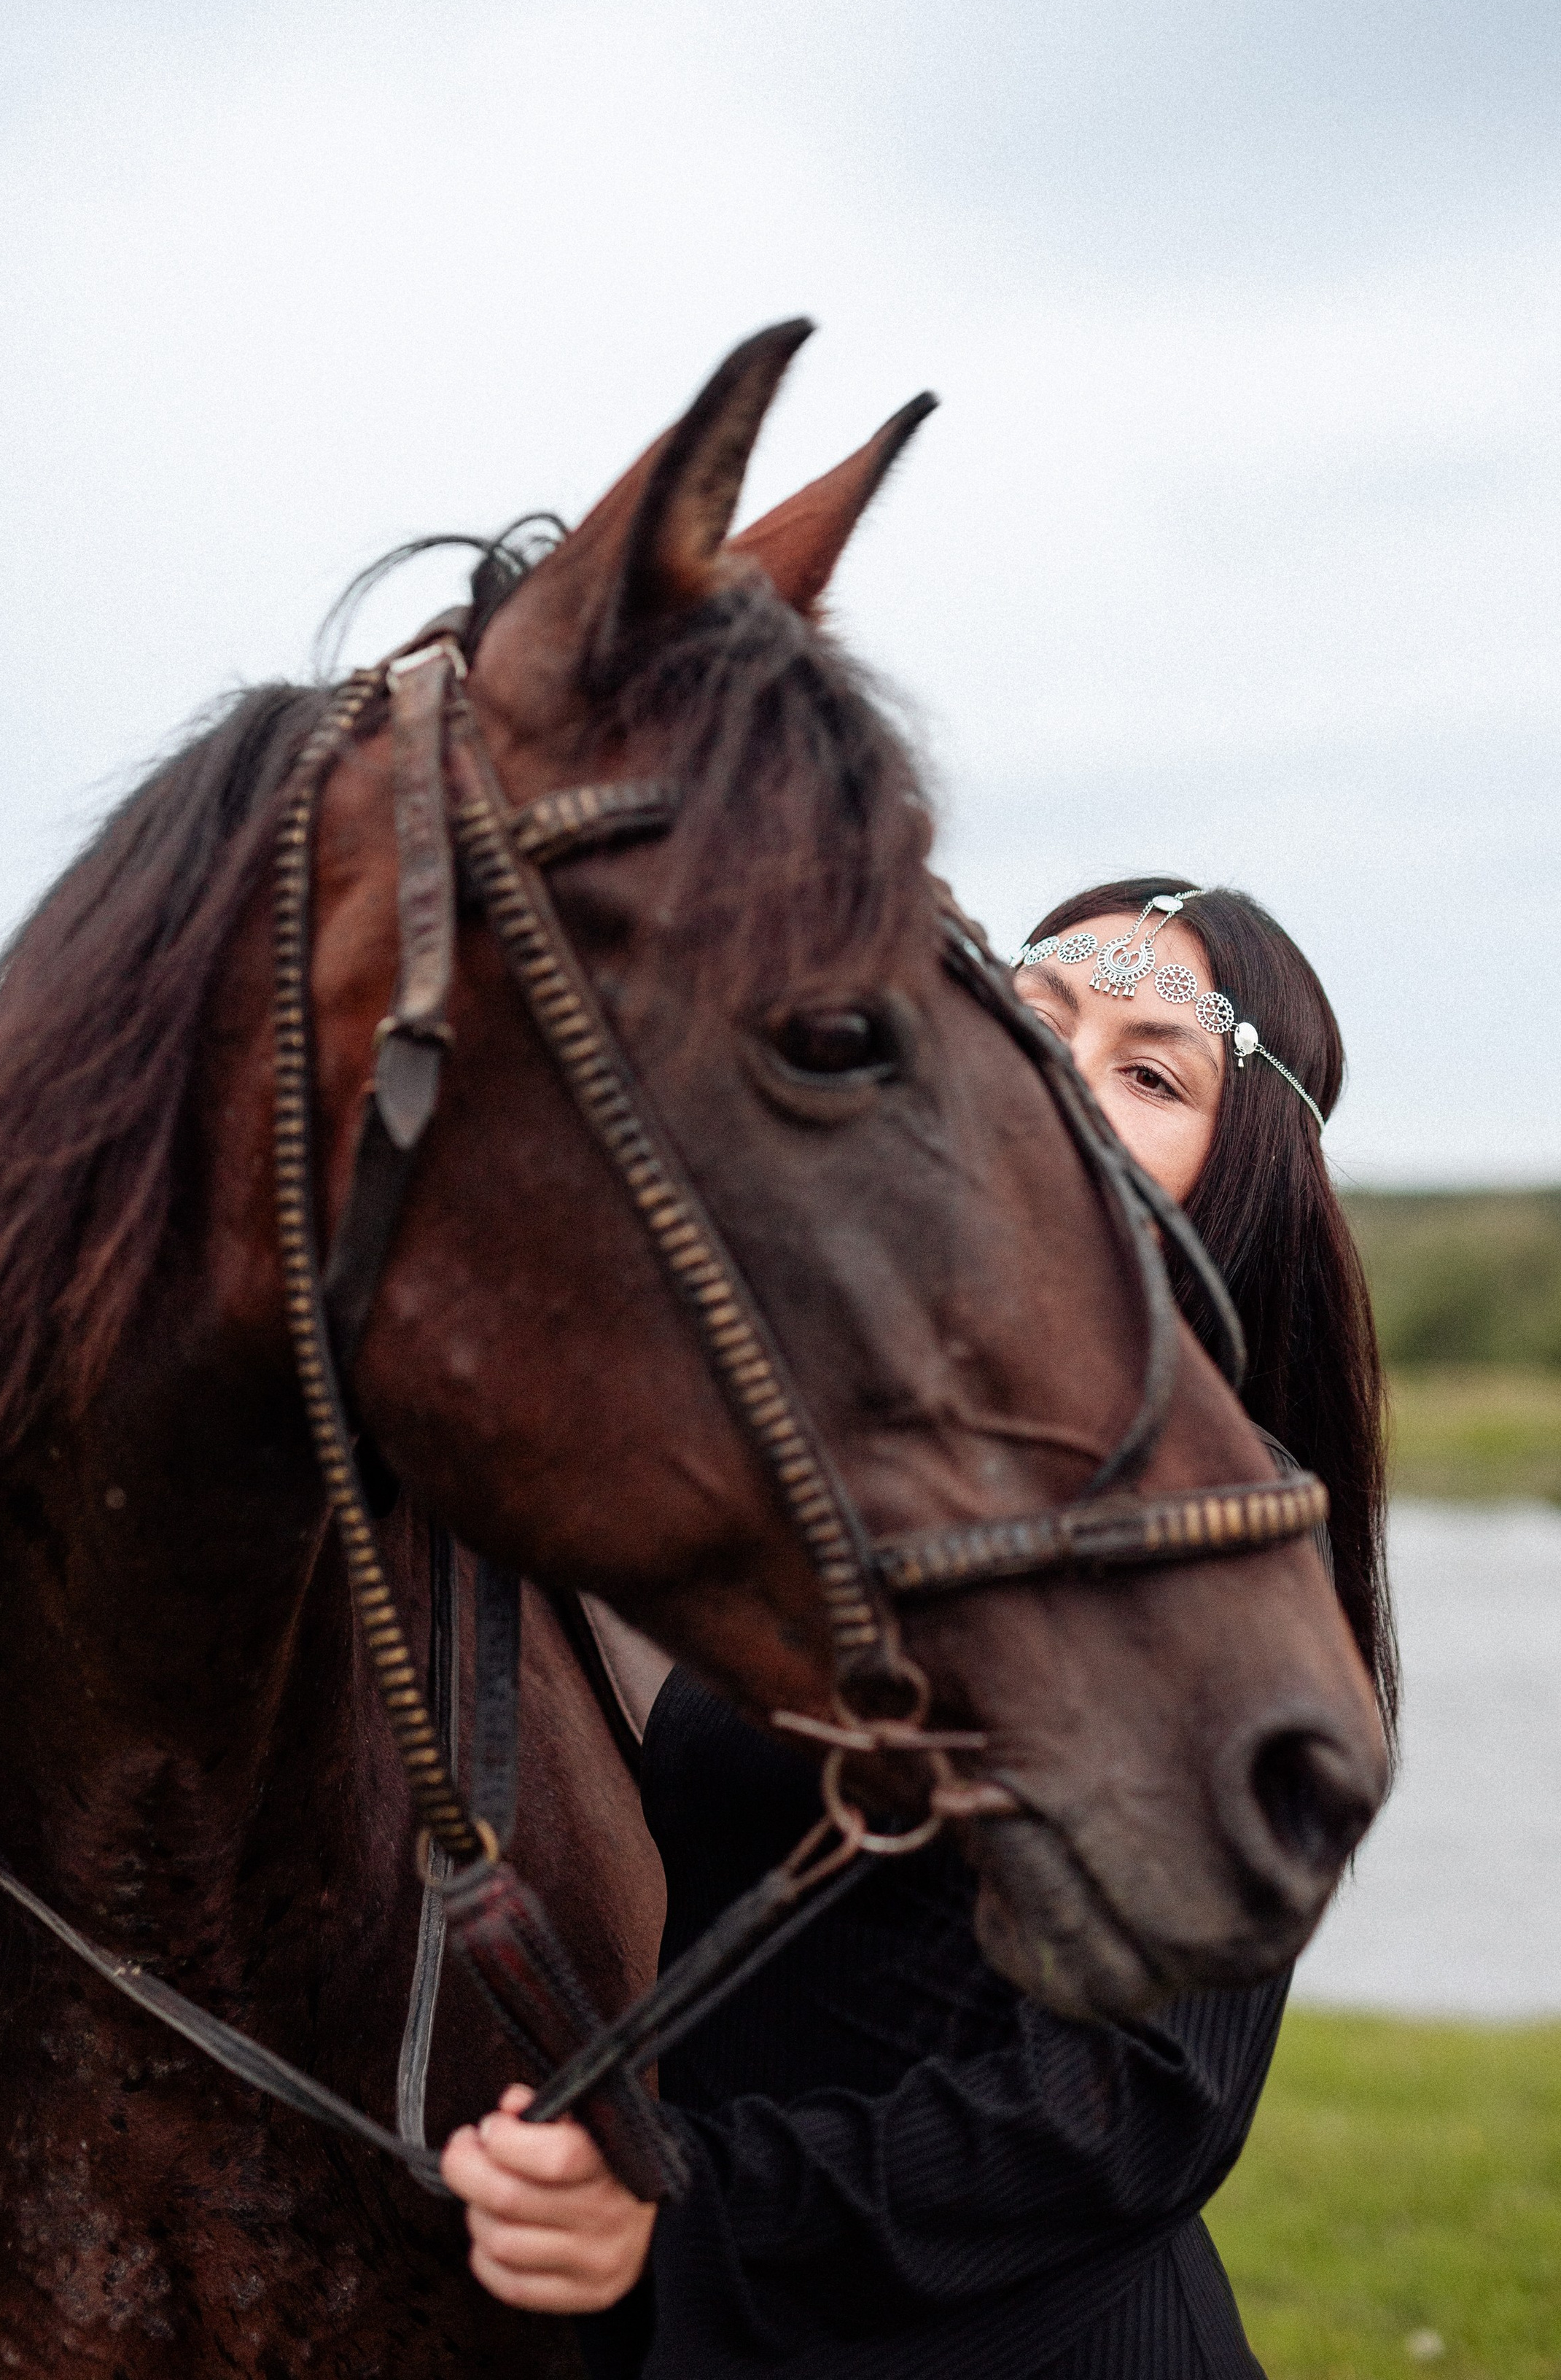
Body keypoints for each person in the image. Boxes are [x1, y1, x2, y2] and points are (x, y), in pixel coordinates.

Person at [443, 879, 1395, 2376]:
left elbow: (1135, 2106)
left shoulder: (1205, 1533)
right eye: (1029, 1024)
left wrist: (688, 2205)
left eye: (1151, 1076)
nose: (1060, 1087)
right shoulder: (820, 1467)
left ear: (1240, 1173)